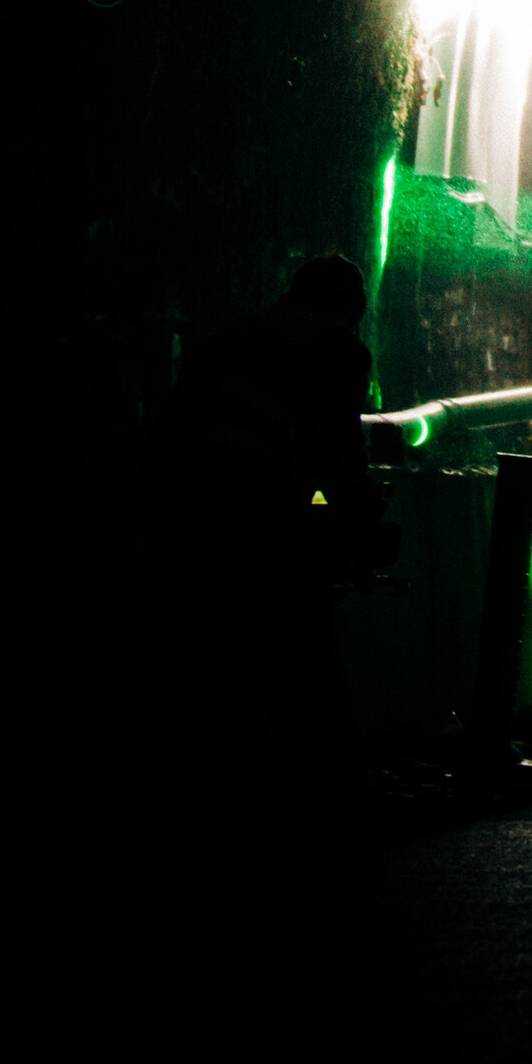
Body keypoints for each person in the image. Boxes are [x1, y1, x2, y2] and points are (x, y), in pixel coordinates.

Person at [148, 255, 399, 772]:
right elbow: (331, 461)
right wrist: (357, 519)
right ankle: (327, 784)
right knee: (299, 642)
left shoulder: (226, 340)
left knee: (211, 659)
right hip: (257, 511)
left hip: (177, 505)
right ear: (349, 308)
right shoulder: (337, 349)